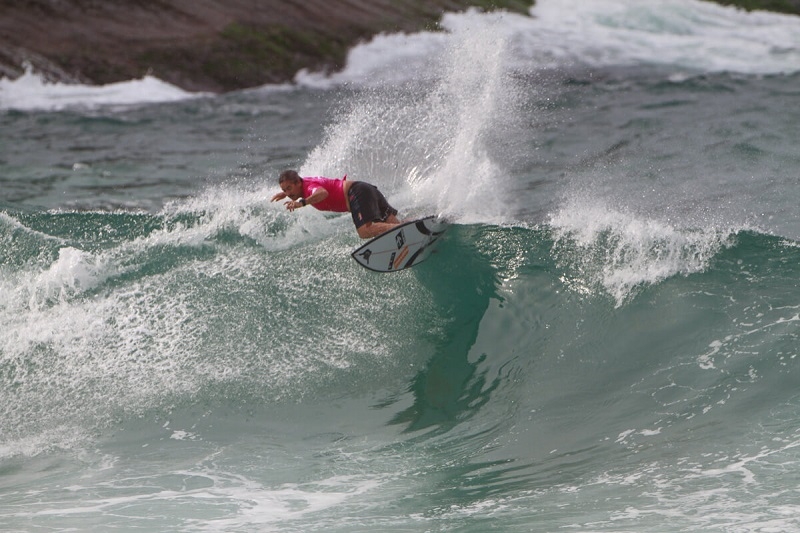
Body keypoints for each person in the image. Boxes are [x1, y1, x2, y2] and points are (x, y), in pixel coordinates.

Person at [270, 170, 401, 239]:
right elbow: (299, 188)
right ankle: (415, 224)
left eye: (289, 188)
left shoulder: (309, 188)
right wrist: (287, 194)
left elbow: (323, 193)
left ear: (298, 183)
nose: (288, 192)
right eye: (284, 190)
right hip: (364, 189)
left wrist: (302, 203)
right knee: (394, 224)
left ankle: (404, 227)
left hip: (356, 193)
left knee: (364, 231)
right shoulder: (303, 183)